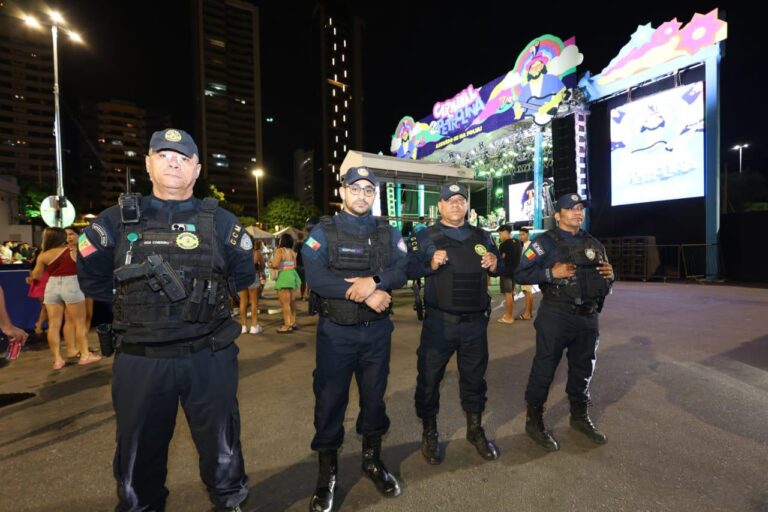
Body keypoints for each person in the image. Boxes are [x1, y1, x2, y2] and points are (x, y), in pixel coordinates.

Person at [76, 128, 254, 512]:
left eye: (183, 157)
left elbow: (241, 277)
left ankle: (229, 503)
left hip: (207, 358)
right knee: (138, 456)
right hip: (141, 360)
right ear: (148, 163)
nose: (173, 161)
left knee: (222, 450)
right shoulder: (114, 220)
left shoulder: (221, 222)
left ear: (196, 168)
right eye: (164, 154)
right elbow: (93, 279)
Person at [302, 166, 408, 511]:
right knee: (330, 401)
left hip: (377, 333)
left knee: (375, 400)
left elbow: (401, 269)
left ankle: (372, 460)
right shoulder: (323, 231)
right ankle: (326, 474)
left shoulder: (387, 231)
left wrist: (374, 281)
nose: (362, 195)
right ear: (343, 191)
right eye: (356, 188)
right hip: (336, 334)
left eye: (368, 190)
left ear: (374, 195)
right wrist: (366, 293)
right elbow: (317, 279)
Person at [407, 183, 501, 465]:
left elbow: (501, 266)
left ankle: (475, 429)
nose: (456, 204)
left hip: (475, 325)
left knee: (474, 380)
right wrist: (429, 265)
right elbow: (407, 269)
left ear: (467, 206)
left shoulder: (483, 235)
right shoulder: (424, 237)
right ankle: (430, 431)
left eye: (461, 200)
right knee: (429, 379)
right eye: (450, 200)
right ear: (440, 206)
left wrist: (496, 263)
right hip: (439, 324)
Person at [515, 193, 614, 452]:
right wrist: (550, 272)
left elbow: (603, 278)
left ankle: (579, 417)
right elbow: (520, 273)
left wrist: (611, 276)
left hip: (588, 317)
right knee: (545, 368)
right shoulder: (543, 243)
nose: (578, 212)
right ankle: (534, 421)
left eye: (580, 208)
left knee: (583, 369)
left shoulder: (593, 242)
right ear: (558, 215)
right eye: (571, 209)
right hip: (556, 315)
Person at [30, 227, 100, 370]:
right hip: (72, 285)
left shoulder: (44, 255)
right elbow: (95, 259)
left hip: (52, 286)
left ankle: (57, 360)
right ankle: (85, 355)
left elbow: (36, 276)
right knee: (79, 322)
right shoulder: (73, 250)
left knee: (54, 325)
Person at [271, 233, 301, 333]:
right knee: (292, 302)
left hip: (283, 276)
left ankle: (286, 325)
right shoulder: (292, 252)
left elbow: (275, 264)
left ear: (282, 241)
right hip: (292, 276)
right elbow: (295, 265)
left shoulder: (280, 251)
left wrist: (270, 264)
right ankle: (292, 322)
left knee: (285, 304)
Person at [497, 224, 522, 324]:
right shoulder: (518, 242)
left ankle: (509, 317)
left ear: (505, 232)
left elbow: (501, 258)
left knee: (508, 295)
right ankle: (509, 315)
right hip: (515, 271)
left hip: (506, 272)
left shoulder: (504, 245)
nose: (500, 236)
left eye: (500, 234)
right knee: (510, 294)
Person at [239, 235, 263, 335]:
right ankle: (254, 326)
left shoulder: (239, 253)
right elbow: (262, 266)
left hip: (241, 277)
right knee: (254, 302)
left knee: (243, 302)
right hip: (253, 276)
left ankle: (243, 326)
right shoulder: (256, 253)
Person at [517, 227, 534, 320]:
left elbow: (530, 259)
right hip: (526, 271)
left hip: (527, 272)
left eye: (523, 234)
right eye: (520, 235)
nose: (521, 236)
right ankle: (529, 313)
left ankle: (527, 314)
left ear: (528, 234)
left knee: (527, 292)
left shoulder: (529, 245)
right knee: (527, 291)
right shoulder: (524, 245)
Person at [294, 232, 308, 301]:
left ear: (297, 237)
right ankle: (302, 296)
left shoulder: (296, 245)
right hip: (305, 265)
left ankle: (293, 295)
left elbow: (295, 255)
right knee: (303, 282)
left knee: (295, 281)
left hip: (297, 265)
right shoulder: (306, 244)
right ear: (303, 237)